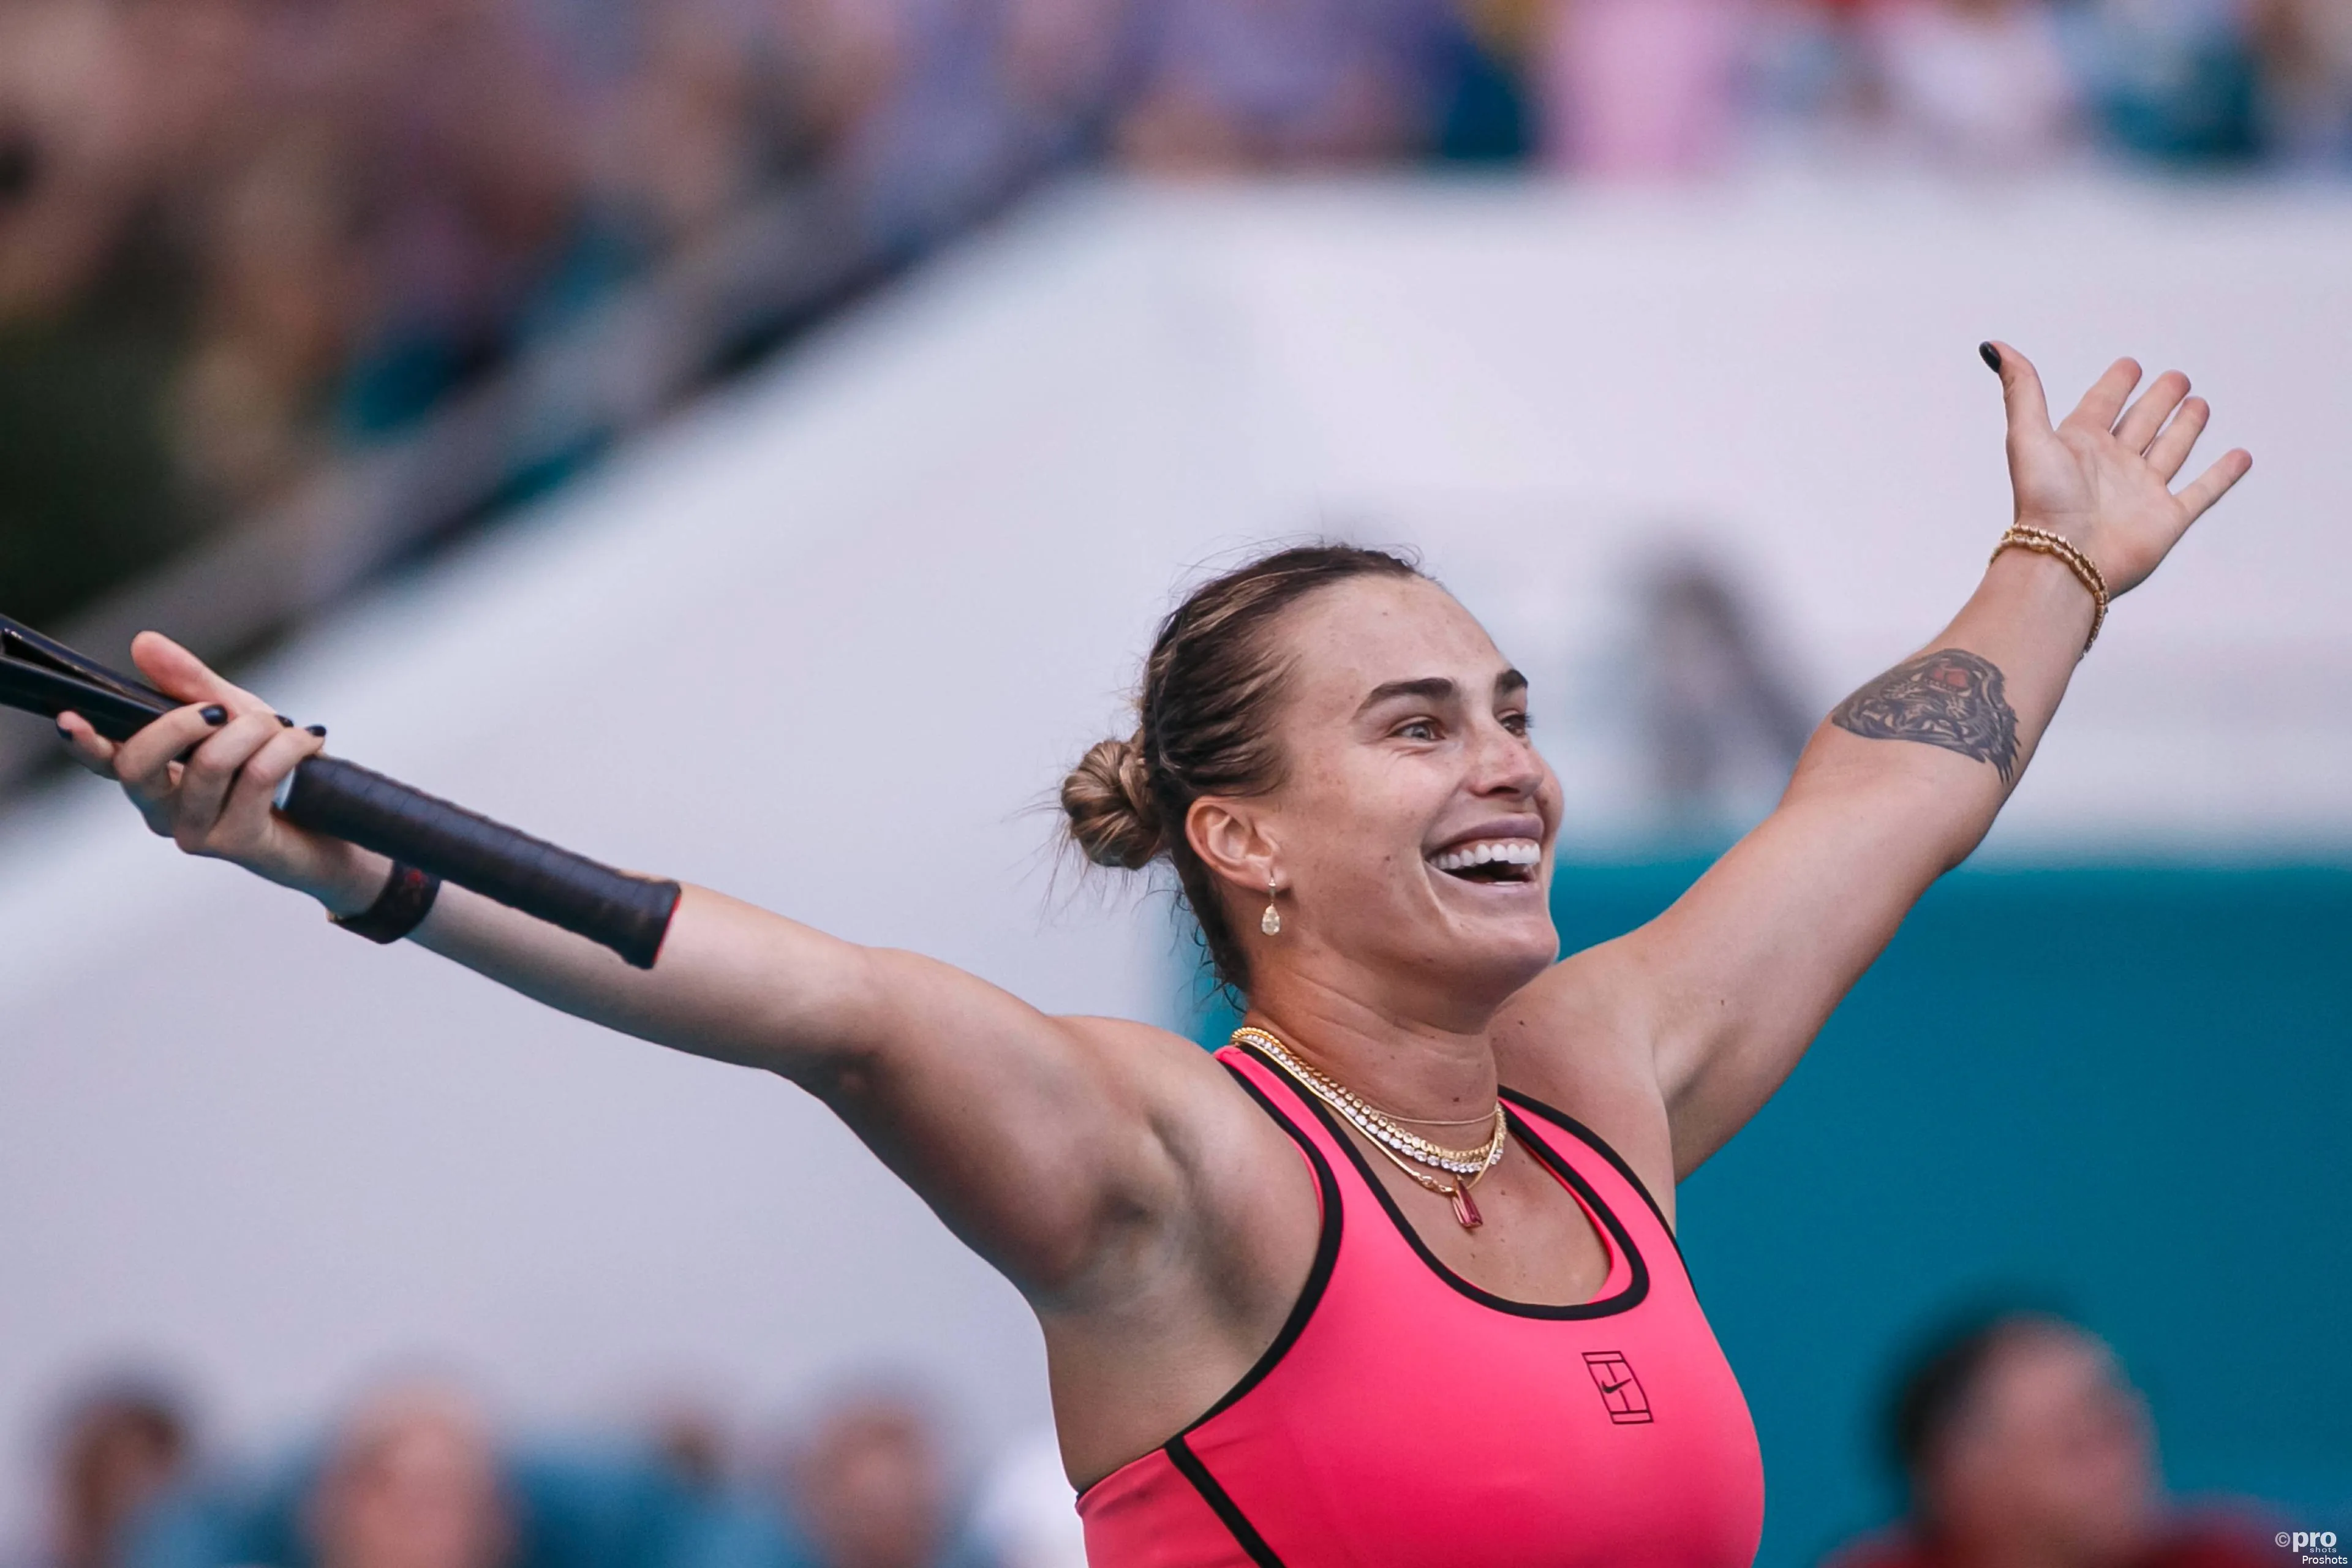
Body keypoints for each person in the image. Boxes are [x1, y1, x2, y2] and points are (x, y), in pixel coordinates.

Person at [56, 343, 2251, 1566]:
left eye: (1509, 710)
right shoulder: (1175, 1164)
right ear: (1242, 838)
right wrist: (339, 849)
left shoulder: (1606, 1082)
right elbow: (801, 997)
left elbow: (1875, 803)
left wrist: (2054, 560)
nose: (1509, 763)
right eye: (1418, 724)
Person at [1825, 1309, 2277, 1568]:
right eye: (2078, 1443)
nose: (2126, 1463)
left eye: (2124, 1423)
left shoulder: (2224, 1553)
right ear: (1959, 1478)